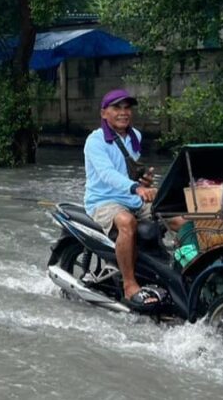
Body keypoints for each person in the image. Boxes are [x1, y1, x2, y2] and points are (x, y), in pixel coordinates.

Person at [84, 89, 184, 308]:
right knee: (127, 223)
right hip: (103, 201)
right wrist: (136, 188)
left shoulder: (135, 136)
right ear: (104, 113)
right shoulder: (95, 141)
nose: (123, 112)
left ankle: (185, 268)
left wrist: (144, 182)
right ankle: (129, 285)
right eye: (117, 108)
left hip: (131, 197)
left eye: (127, 108)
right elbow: (107, 174)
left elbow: (128, 172)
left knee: (179, 218)